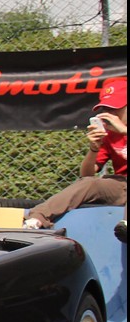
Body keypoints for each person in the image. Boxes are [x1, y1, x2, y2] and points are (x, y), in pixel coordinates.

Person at [24, 76, 128, 229]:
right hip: (122, 187)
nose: (110, 114)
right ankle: (36, 219)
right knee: (89, 184)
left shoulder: (120, 129)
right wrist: (94, 148)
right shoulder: (109, 133)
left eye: (115, 108)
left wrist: (124, 130)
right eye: (106, 109)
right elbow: (87, 175)